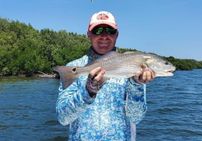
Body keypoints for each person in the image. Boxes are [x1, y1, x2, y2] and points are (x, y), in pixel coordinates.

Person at [56, 10, 155, 141]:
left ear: (117, 35)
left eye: (110, 31)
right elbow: (63, 118)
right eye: (98, 31)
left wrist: (136, 85)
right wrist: (87, 92)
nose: (104, 36)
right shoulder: (74, 67)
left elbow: (136, 117)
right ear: (89, 35)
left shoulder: (134, 68)